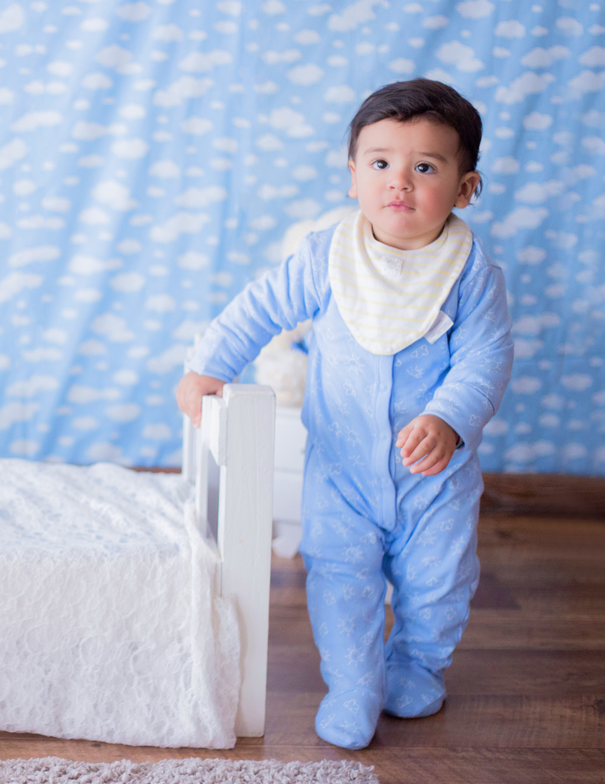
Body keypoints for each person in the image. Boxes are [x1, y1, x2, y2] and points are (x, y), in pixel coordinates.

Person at [176, 78, 514, 749]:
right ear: (352, 175)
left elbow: (486, 357)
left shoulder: (470, 271)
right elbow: (261, 306)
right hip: (341, 472)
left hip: (434, 477)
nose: (401, 183)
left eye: (425, 167)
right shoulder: (329, 257)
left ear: (466, 187)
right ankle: (355, 683)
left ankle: (417, 666)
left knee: (439, 583)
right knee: (341, 579)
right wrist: (209, 364)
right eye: (381, 163)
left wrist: (447, 419)